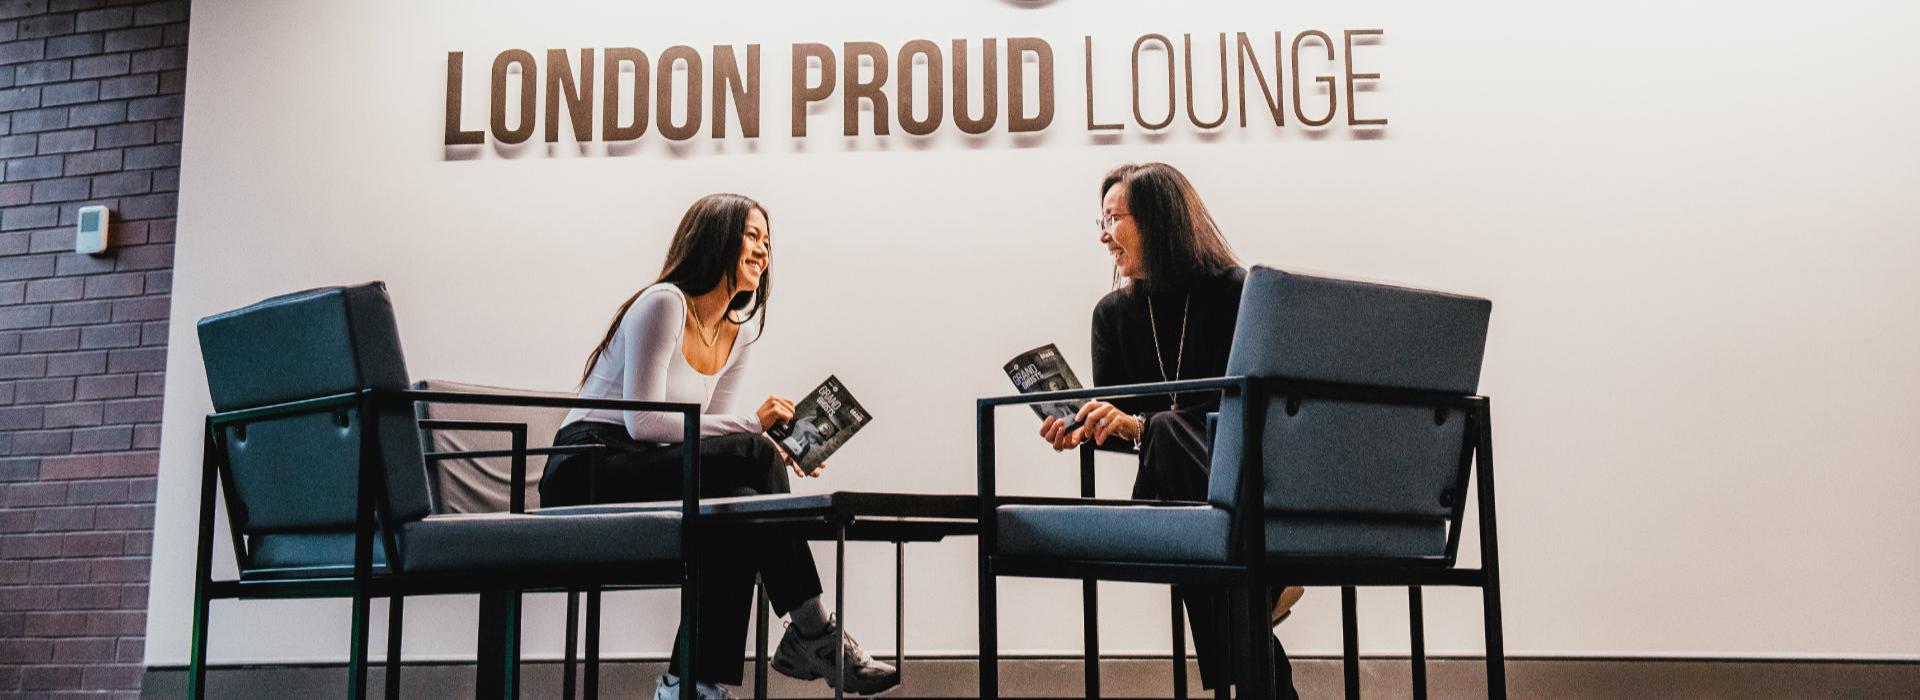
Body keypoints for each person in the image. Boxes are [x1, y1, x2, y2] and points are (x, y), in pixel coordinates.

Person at [540, 194, 898, 700]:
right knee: (752, 463)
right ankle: (813, 632)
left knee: (740, 504)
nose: (762, 250)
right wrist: (754, 431)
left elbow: (715, 434)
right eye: (751, 235)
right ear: (715, 238)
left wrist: (766, 444)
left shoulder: (739, 332)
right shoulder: (664, 303)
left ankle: (688, 684)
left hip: (651, 465)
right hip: (588, 468)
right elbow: (642, 422)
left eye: (767, 240)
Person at [1037, 163, 1303, 698]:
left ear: (1157, 219)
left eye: (1114, 218)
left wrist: (1145, 426)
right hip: (1178, 490)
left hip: (1241, 479)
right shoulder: (1112, 315)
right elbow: (1124, 426)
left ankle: (1253, 599)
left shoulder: (1234, 292)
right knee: (1164, 439)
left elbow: (1252, 408)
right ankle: (1265, 586)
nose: (1104, 235)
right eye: (1100, 221)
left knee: (1168, 432)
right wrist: (1086, 427)